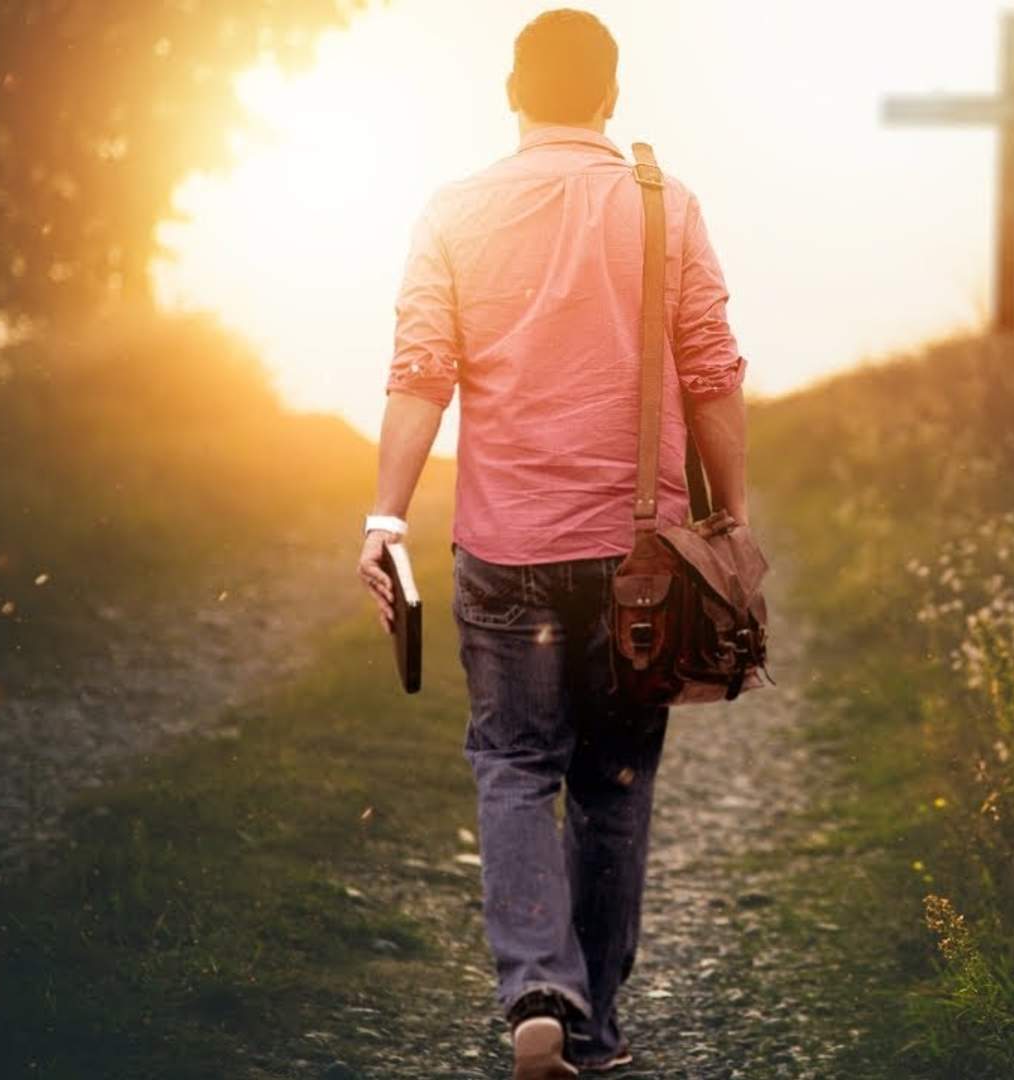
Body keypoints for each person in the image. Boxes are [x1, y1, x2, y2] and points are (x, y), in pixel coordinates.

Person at [354, 10, 749, 1077]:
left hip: (506, 549)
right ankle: (598, 1030)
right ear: (610, 98)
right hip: (643, 559)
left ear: (511, 93)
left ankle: (538, 983)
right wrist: (731, 521)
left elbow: (420, 374)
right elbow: (712, 368)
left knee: (517, 765)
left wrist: (385, 518)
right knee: (614, 778)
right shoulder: (667, 206)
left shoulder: (454, 209)